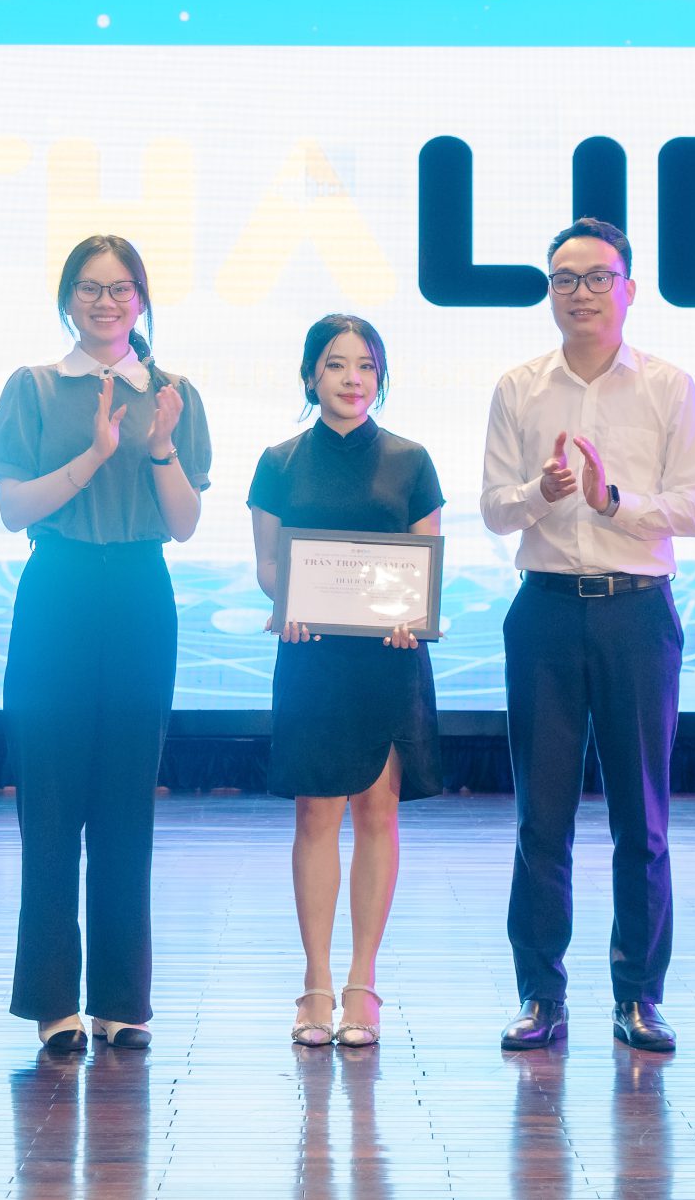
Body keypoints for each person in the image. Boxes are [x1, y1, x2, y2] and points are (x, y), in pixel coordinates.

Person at [479, 218, 695, 1055]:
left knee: (640, 821)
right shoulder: (518, 387)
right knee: (540, 820)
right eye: (564, 278)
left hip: (636, 613)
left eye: (596, 277)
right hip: (544, 610)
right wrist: (540, 493)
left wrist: (613, 501)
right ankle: (541, 995)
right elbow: (493, 508)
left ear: (629, 288)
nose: (579, 292)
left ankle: (640, 996)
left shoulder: (668, 386)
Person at [0, 234, 211, 1054]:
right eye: (89, 287)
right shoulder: (35, 387)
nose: (105, 302)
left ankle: (122, 999)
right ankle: (54, 1002)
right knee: (50, 804)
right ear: (67, 299)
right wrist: (94, 455)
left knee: (126, 805)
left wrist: (158, 447)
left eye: (120, 288)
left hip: (140, 594)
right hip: (57, 590)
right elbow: (14, 508)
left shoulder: (175, 395)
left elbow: (184, 524)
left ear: (141, 300)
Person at [249, 315, 446, 1049]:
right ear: (311, 376)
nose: (352, 378)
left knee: (377, 813)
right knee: (314, 816)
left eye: (365, 365)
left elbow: (425, 564)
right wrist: (287, 603)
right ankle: (315, 982)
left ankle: (363, 983)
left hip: (389, 661)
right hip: (312, 660)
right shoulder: (278, 462)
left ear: (380, 377)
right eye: (335, 364)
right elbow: (270, 565)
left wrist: (411, 617)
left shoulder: (411, 461)